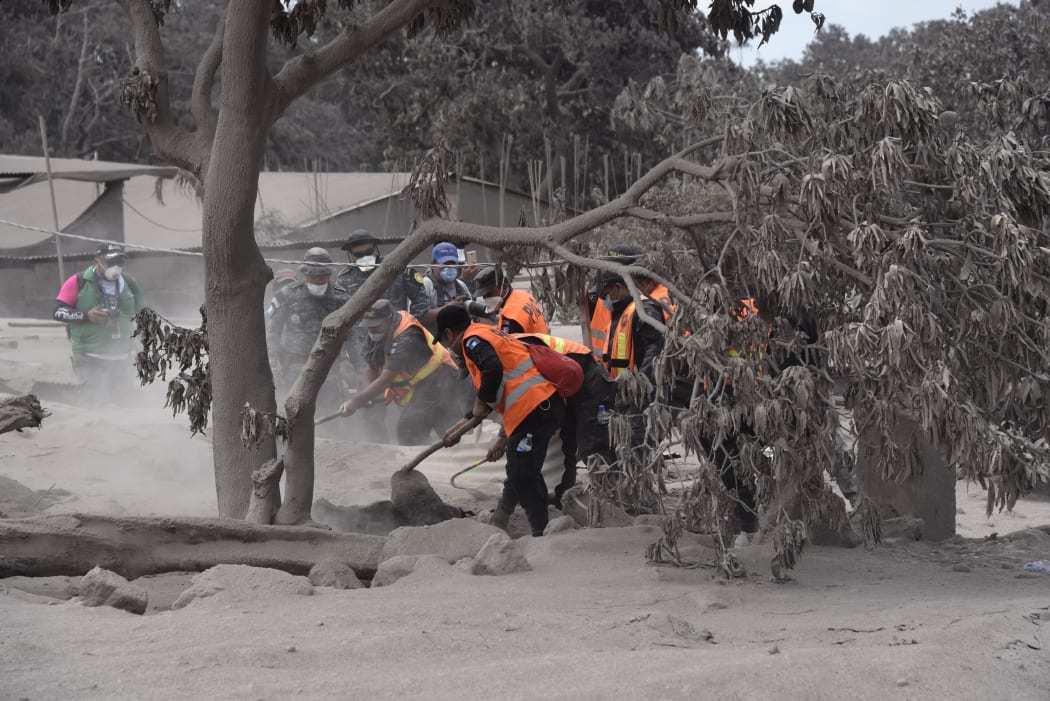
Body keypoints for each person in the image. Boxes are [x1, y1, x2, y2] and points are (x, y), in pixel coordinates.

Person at [435, 305, 564, 536]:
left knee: (521, 472)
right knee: (523, 468)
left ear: (449, 334)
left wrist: (481, 404)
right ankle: (519, 523)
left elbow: (492, 371)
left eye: (444, 341)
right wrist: (460, 428)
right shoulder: (485, 332)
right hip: (537, 407)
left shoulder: (472, 341)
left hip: (536, 408)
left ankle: (540, 533)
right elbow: (493, 395)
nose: (447, 347)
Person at [339, 299, 468, 445]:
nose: (371, 331)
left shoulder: (407, 337)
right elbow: (372, 369)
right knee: (423, 428)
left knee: (414, 430)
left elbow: (386, 379)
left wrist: (355, 402)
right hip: (420, 384)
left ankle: (458, 458)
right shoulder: (377, 332)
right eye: (369, 327)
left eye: (375, 326)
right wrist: (364, 395)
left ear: (388, 319)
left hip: (440, 379)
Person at [515, 332, 616, 507]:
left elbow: (527, 396)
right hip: (568, 384)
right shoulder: (510, 347)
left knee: (593, 446)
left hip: (589, 381)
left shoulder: (516, 351)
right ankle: (565, 497)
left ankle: (609, 500)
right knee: (567, 444)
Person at [53, 243, 147, 395]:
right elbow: (57, 311)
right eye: (110, 262)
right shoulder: (78, 281)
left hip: (122, 358)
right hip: (89, 358)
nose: (116, 267)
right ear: (97, 261)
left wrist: (141, 344)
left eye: (120, 262)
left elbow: (144, 315)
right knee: (95, 402)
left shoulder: (129, 283)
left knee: (125, 404)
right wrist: (85, 315)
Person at [266, 247, 349, 411]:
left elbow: (351, 334)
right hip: (295, 365)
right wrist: (273, 366)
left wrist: (350, 362)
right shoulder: (287, 294)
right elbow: (273, 332)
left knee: (329, 409)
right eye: (313, 274)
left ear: (330, 273)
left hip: (329, 366)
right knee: (293, 410)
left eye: (322, 274)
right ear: (304, 273)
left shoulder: (341, 297)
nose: (317, 279)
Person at [472, 265, 549, 335]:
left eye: (489, 294)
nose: (485, 298)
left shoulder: (510, 317)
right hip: (542, 345)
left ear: (504, 288)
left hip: (533, 348)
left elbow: (508, 347)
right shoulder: (524, 295)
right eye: (483, 296)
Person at [420, 242, 473, 333]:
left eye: (452, 263)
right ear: (433, 263)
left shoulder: (461, 286)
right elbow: (419, 317)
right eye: (445, 263)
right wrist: (448, 307)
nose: (449, 267)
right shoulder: (425, 285)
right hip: (433, 344)